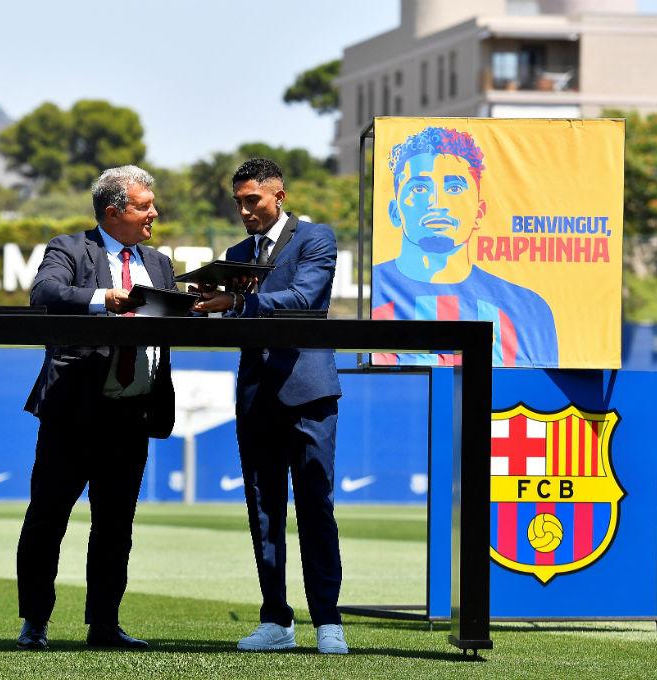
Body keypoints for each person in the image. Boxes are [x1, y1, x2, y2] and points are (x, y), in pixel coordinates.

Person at [16, 165, 176, 651]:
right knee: (48, 518)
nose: (154, 212)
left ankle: (104, 626)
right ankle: (35, 622)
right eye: (144, 205)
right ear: (114, 212)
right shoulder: (70, 248)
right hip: (73, 412)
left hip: (132, 414)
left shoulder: (161, 263)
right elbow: (43, 293)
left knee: (115, 527)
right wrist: (103, 298)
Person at [192, 158, 348, 655]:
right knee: (263, 511)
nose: (244, 210)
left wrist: (235, 304)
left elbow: (306, 298)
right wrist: (202, 302)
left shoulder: (316, 238)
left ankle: (328, 621)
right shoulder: (236, 253)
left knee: (315, 505)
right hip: (257, 393)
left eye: (252, 200)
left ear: (278, 195)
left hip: (309, 391)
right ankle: (276, 619)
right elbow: (234, 316)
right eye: (238, 202)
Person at [372, 126, 558, 367]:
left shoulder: (528, 309)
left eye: (454, 188)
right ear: (395, 212)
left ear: (479, 212)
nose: (437, 203)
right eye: (419, 188)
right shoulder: (369, 295)